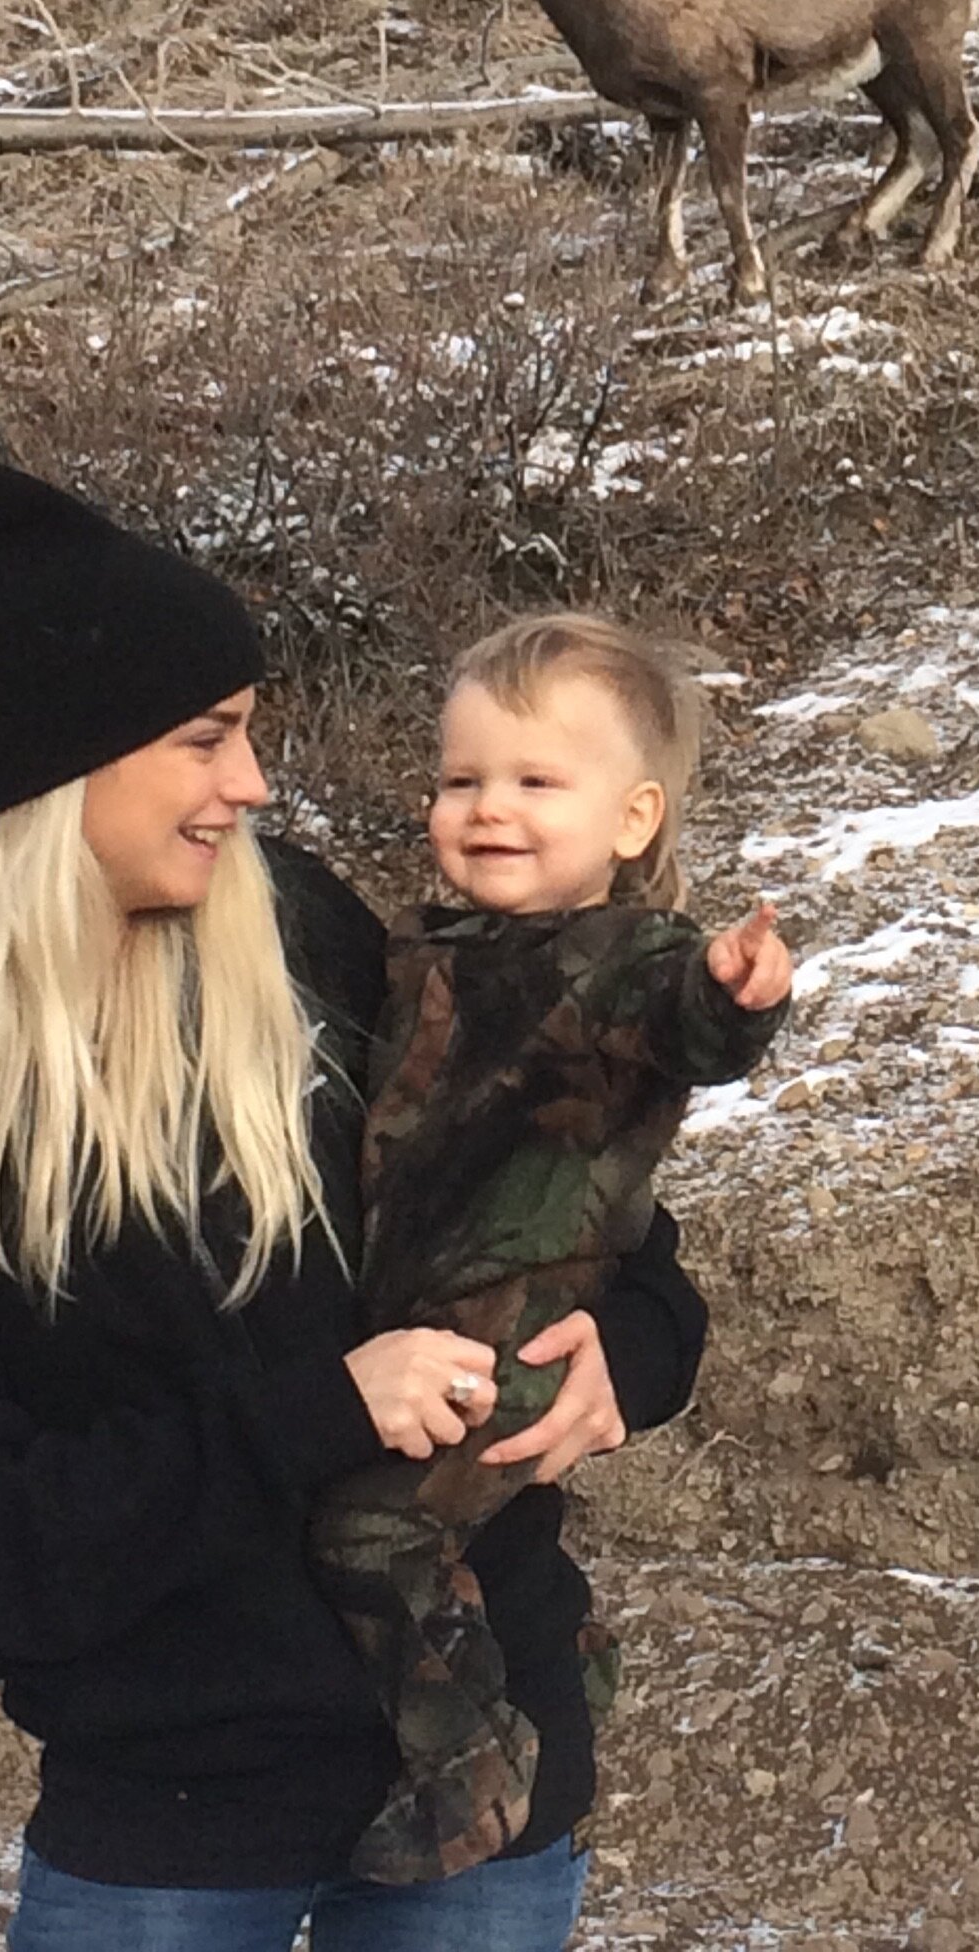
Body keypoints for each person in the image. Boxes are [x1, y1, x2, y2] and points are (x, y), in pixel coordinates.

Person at [0, 432, 710, 1952]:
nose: (250, 782)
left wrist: (631, 1351)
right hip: (174, 1816)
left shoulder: (300, 935)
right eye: (205, 737)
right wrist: (318, 1410)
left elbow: (553, 1182)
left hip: (484, 1777)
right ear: (63, 758)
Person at [311, 614, 793, 1885]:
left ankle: (474, 1768)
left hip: (509, 1323)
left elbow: (674, 1021)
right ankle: (564, 1670)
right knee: (431, 1526)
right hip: (422, 1310)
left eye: (535, 782)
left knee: (375, 1537)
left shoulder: (612, 958)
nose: (487, 809)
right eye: (462, 780)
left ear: (633, 820)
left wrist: (734, 993)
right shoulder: (429, 950)